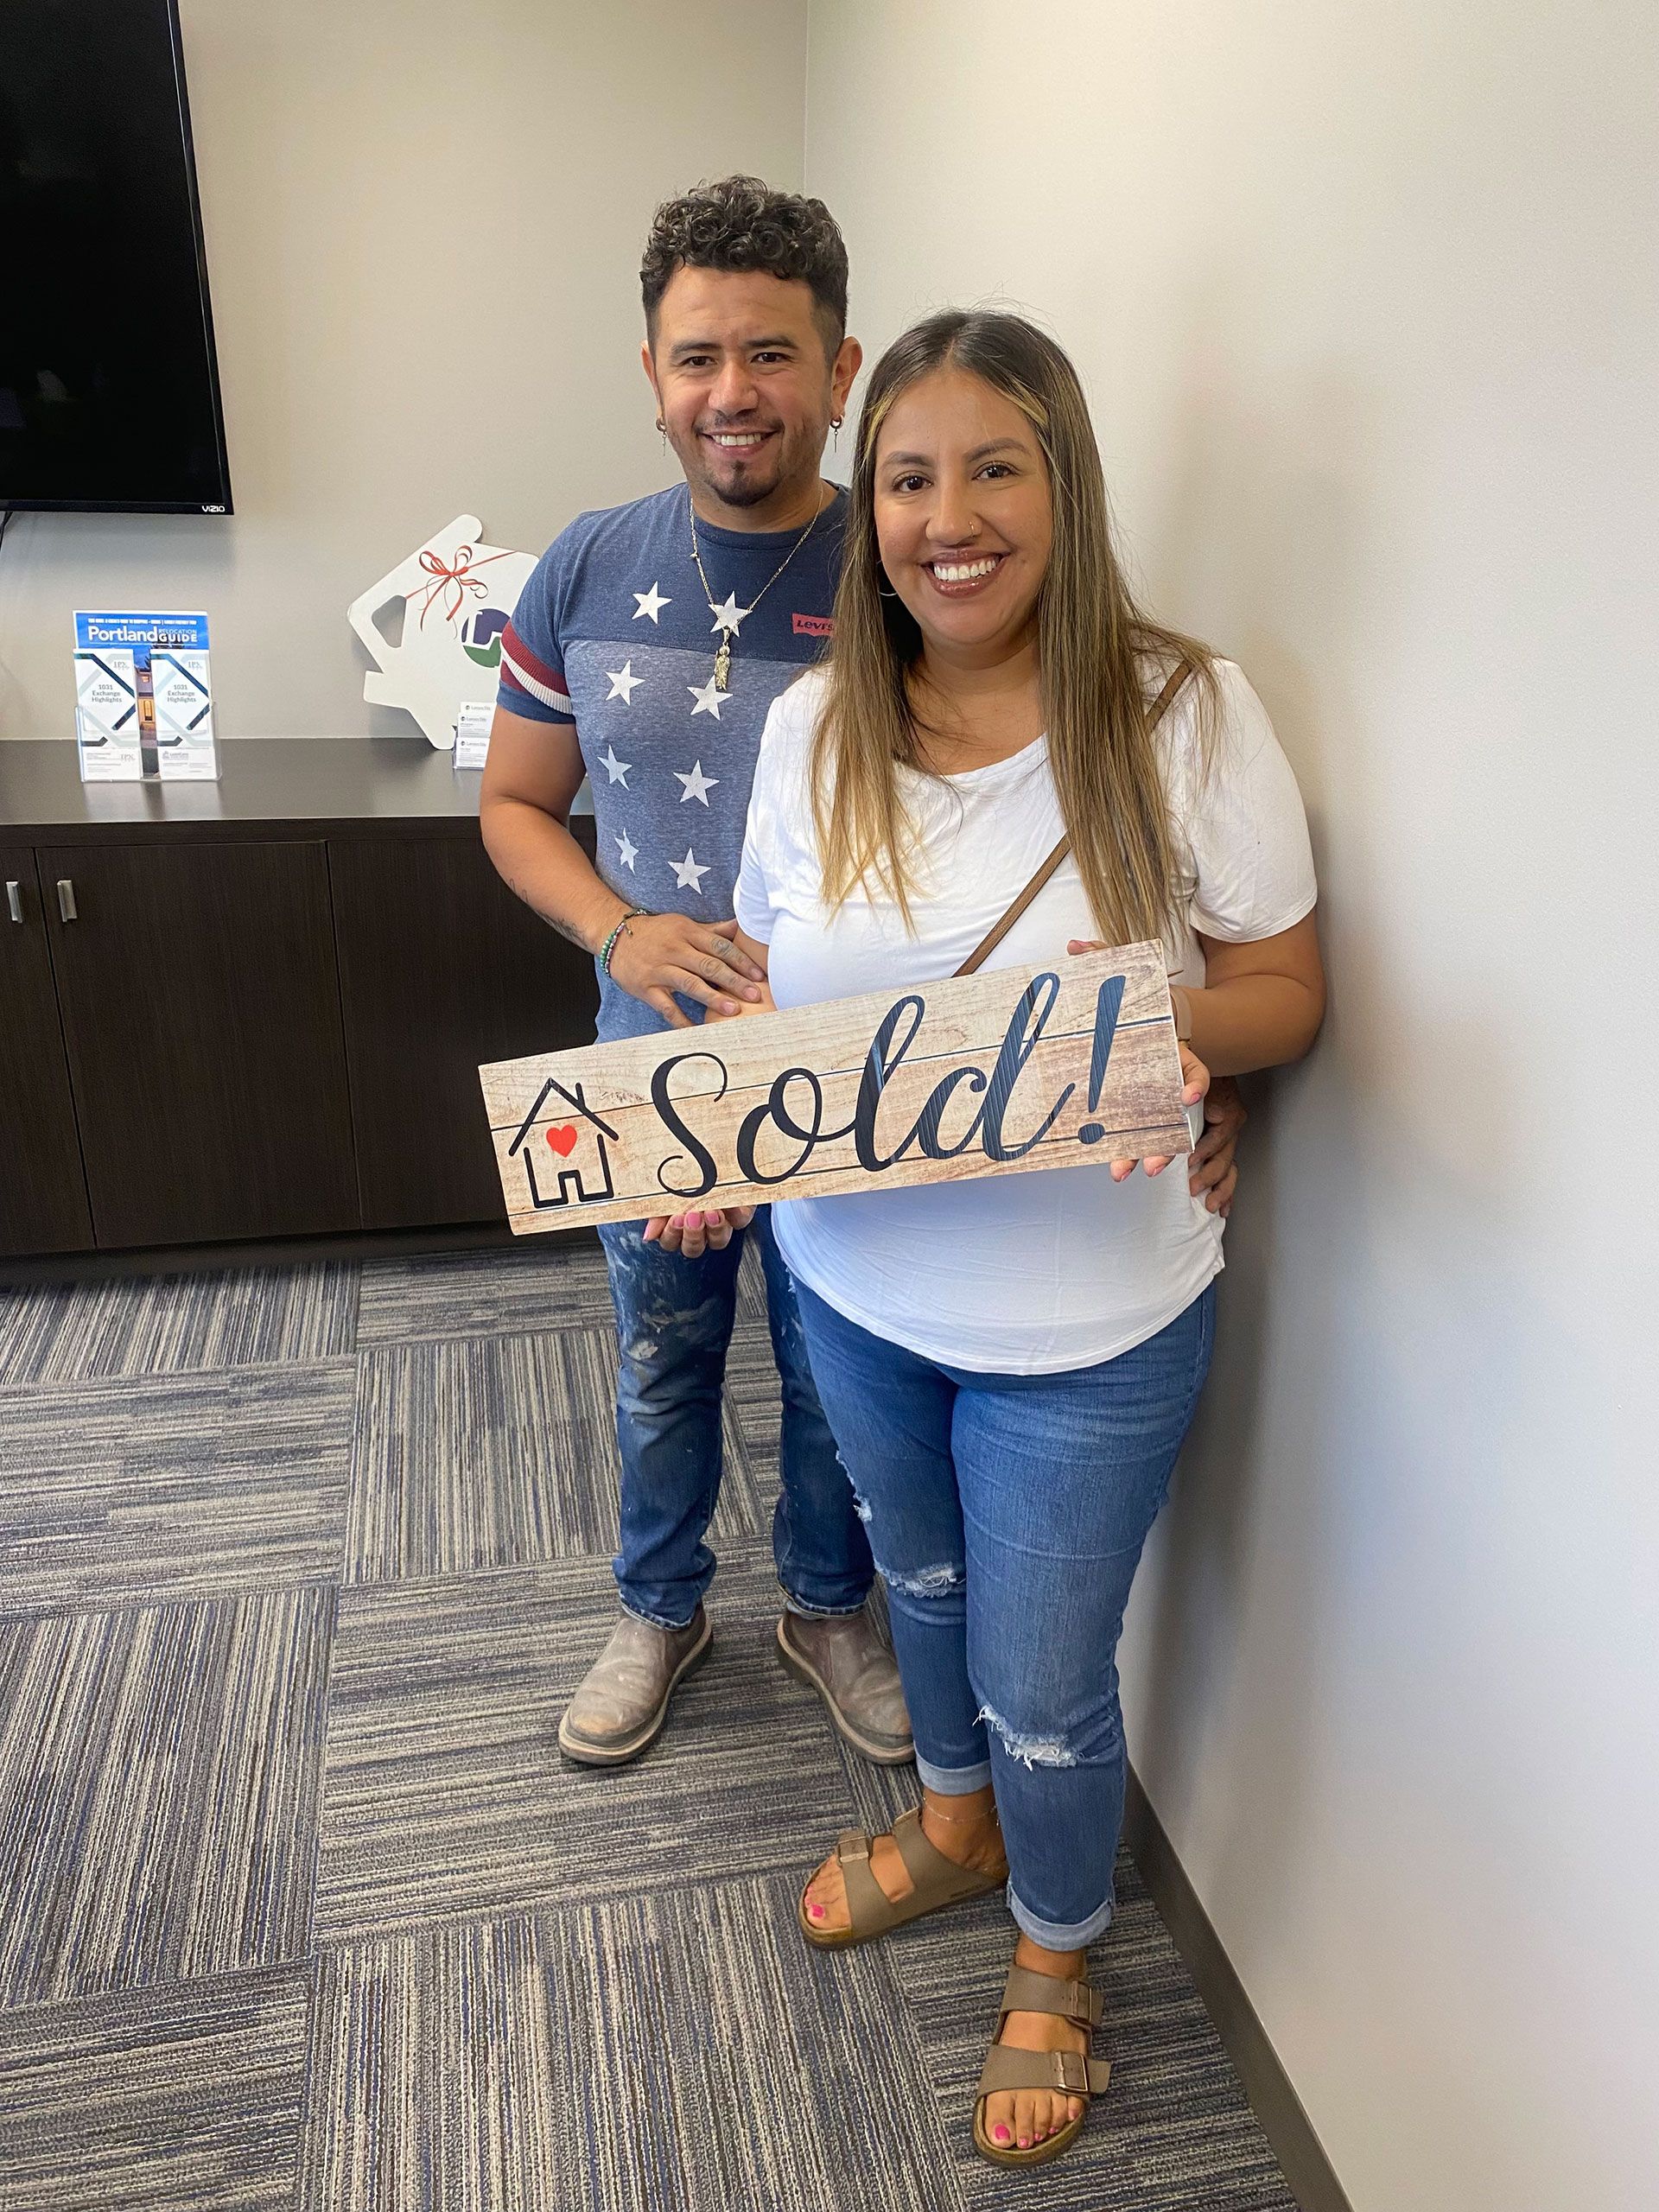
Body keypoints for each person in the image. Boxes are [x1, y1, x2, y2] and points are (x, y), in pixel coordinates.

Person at [480, 178, 1247, 1775]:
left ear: (839, 373)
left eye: (773, 353)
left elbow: (1064, 844)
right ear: (651, 373)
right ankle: (656, 1604)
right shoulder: (584, 567)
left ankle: (828, 1608)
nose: (733, 391)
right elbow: (513, 806)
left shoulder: (922, 555)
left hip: (886, 1083)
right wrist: (621, 931)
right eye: (699, 356)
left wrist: (1176, 1056)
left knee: (838, 1376)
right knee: (663, 1357)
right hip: (664, 1072)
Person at [713, 309, 1325, 2168]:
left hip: (1092, 1319)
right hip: (851, 1286)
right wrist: (709, 1140)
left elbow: (1286, 989)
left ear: (1066, 485)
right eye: (908, 478)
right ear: (871, 507)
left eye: (995, 468)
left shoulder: (1183, 710)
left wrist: (1159, 1034)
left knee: (1050, 1686)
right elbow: (774, 1004)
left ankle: (1056, 1949)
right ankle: (954, 1822)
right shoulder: (814, 723)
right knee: (922, 1590)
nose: (948, 517)